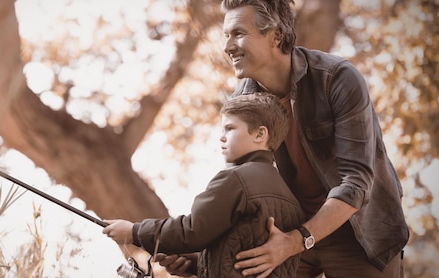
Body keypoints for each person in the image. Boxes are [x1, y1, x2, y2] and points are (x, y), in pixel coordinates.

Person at [158, 0, 410, 277]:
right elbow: (239, 190)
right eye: (226, 35)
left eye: (238, 33)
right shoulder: (242, 102)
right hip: (288, 229)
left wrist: (295, 241)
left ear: (276, 35)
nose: (227, 46)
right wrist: (201, 257)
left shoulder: (336, 78)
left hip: (358, 230)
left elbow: (356, 182)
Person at [102, 93, 305, 277]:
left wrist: (134, 232)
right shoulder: (291, 199)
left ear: (260, 134)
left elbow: (191, 230)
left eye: (230, 128)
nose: (222, 137)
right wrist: (195, 264)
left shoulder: (237, 180)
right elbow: (241, 260)